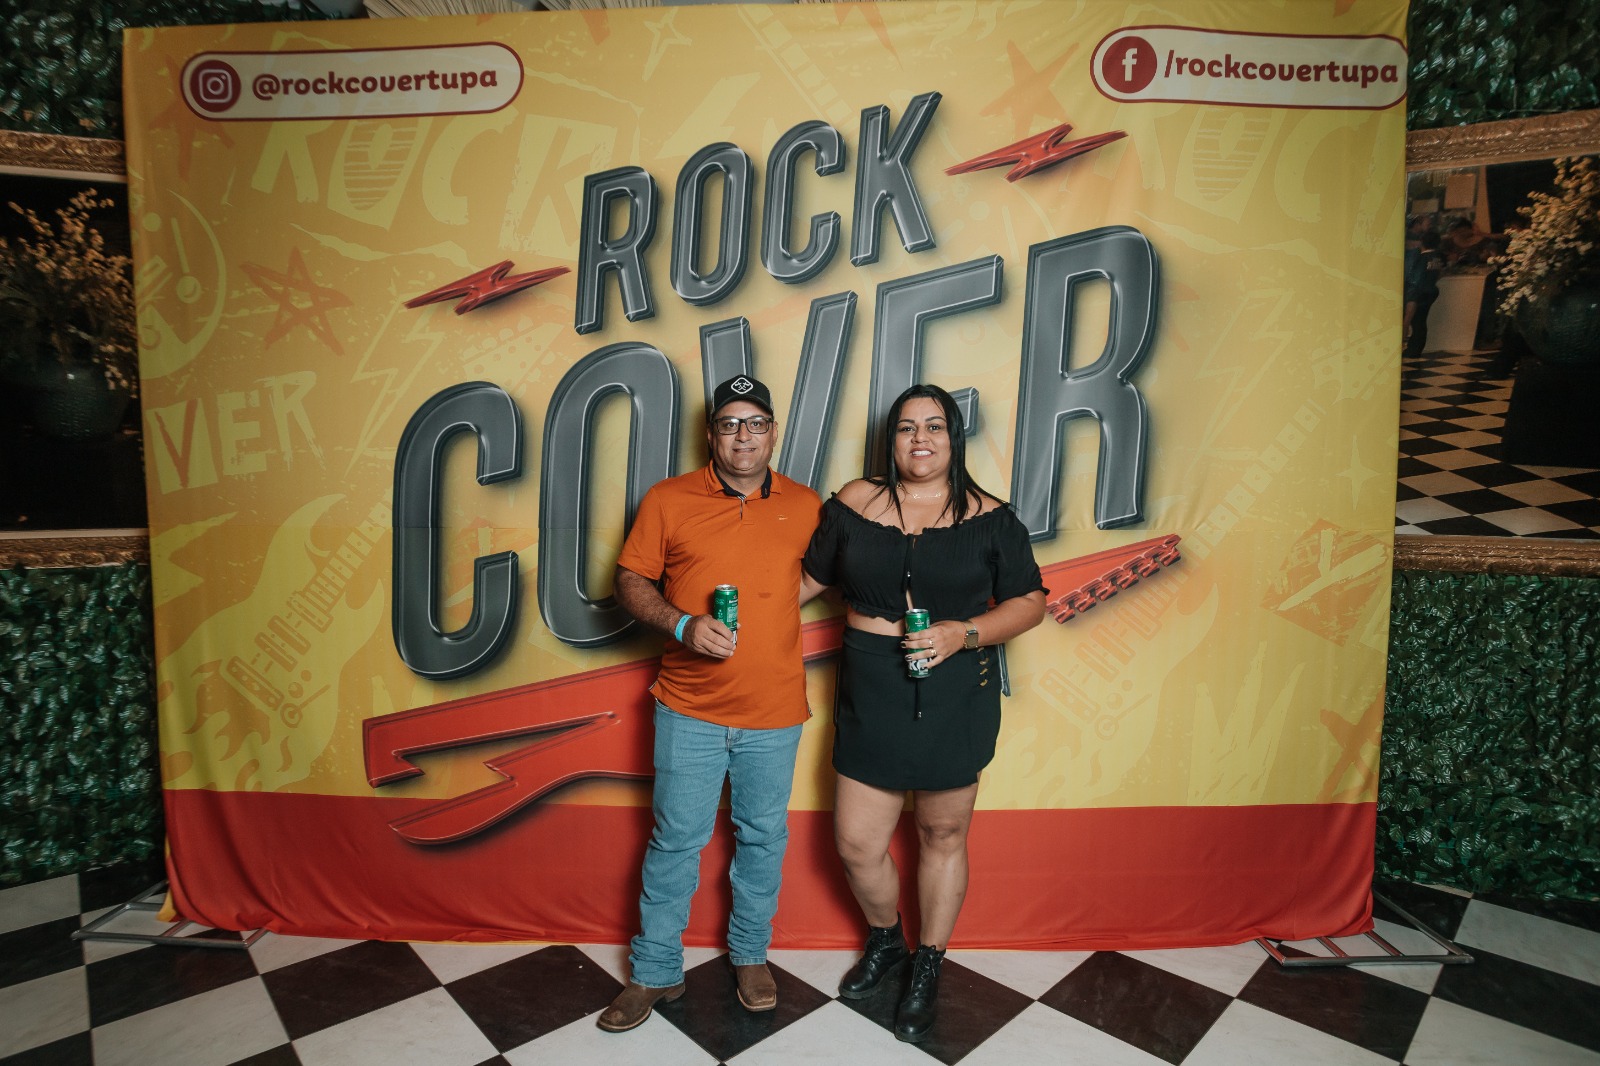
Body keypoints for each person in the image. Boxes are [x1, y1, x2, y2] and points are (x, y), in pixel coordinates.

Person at [799, 383, 1046, 1042]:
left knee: (942, 835)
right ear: (892, 440)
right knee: (857, 844)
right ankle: (888, 942)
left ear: (953, 438)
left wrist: (964, 632)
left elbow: (1030, 602)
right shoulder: (854, 502)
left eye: (934, 426)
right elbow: (807, 581)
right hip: (871, 685)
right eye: (907, 427)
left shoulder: (992, 518)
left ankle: (928, 964)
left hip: (954, 687)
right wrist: (725, 612)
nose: (920, 439)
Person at [597, 375, 823, 1033]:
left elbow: (823, 574)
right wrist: (681, 624)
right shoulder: (668, 499)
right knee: (675, 841)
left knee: (763, 839)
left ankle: (750, 956)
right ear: (711, 434)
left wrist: (776, 605)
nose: (743, 436)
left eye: (755, 423)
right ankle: (655, 970)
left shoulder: (806, 505)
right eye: (729, 424)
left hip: (774, 711)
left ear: (773, 432)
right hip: (687, 707)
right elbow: (630, 580)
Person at [1404, 217, 1443, 359]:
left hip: (1419, 293)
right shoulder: (1436, 257)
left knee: (1416, 322)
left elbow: (1416, 278)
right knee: (1421, 321)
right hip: (1431, 291)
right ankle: (1416, 348)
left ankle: (1413, 350)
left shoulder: (1421, 258)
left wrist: (1411, 295)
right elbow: (1439, 274)